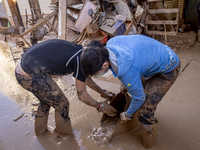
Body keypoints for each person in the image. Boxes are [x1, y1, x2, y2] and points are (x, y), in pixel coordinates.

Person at [80, 35, 180, 148]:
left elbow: (139, 98)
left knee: (145, 111)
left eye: (95, 74)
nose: (96, 76)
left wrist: (127, 115)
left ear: (104, 65)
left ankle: (149, 145)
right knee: (133, 89)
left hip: (169, 66)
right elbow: (130, 64)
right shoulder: (111, 44)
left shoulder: (127, 70)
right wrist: (125, 83)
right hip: (155, 54)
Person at [15, 39, 117, 136]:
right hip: (29, 75)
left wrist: (102, 91)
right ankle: (65, 137)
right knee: (62, 104)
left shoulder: (82, 52)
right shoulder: (81, 62)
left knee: (47, 101)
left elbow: (83, 77)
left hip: (23, 68)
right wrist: (100, 106)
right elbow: (82, 96)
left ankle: (41, 134)